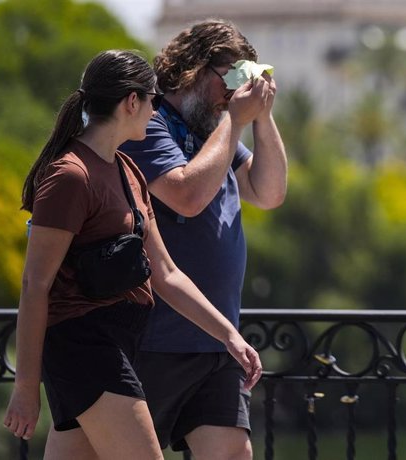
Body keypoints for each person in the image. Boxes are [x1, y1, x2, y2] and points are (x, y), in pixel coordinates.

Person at [2, 49, 262, 460]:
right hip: (84, 347)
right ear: (131, 102)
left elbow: (167, 273)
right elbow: (36, 286)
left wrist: (228, 335)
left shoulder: (128, 170)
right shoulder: (70, 175)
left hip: (122, 343)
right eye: (153, 100)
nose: (156, 111)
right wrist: (25, 388)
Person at [119, 18, 287, 460]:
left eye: (246, 78)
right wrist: (235, 119)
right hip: (155, 337)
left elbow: (268, 192)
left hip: (217, 338)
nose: (234, 92)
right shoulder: (148, 124)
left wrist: (262, 119)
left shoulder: (215, 132)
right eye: (231, 76)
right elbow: (186, 196)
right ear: (195, 67)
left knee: (234, 454)